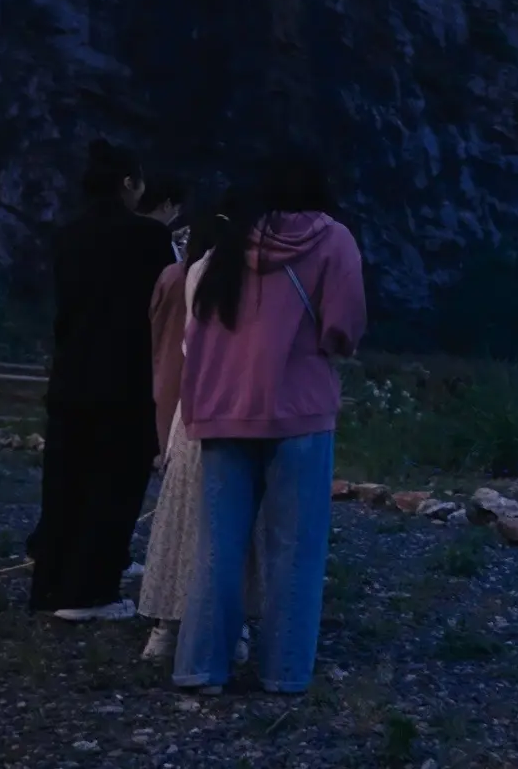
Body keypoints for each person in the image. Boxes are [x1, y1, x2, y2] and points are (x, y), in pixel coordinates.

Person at [173, 153, 366, 695]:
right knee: (295, 550)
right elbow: (344, 327)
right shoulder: (335, 240)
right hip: (299, 412)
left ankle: (200, 667)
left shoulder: (231, 242)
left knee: (218, 546)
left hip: (223, 407)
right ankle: (284, 672)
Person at [29, 140, 177, 621]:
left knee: (64, 484)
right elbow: (164, 310)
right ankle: (91, 592)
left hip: (71, 374)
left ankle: (49, 588)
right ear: (129, 183)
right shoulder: (149, 238)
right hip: (126, 379)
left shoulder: (68, 235)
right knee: (114, 486)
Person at [138, 208, 262, 662]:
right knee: (239, 525)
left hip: (194, 414)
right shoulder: (259, 275)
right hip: (242, 415)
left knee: (179, 519)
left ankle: (165, 627)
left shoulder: (194, 273)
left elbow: (188, 347)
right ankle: (234, 628)